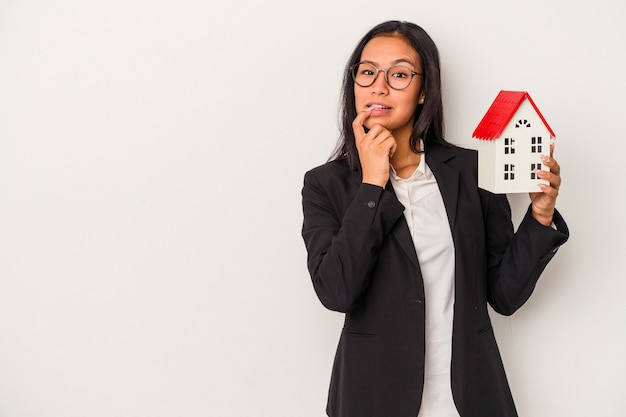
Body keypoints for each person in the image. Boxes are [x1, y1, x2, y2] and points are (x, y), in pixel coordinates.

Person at [301, 20, 569, 417]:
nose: (379, 86)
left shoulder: (471, 171)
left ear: (425, 90)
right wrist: (373, 184)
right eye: (367, 71)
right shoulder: (326, 185)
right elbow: (336, 292)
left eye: (399, 74)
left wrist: (540, 215)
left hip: (468, 399)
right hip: (373, 398)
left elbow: (505, 296)